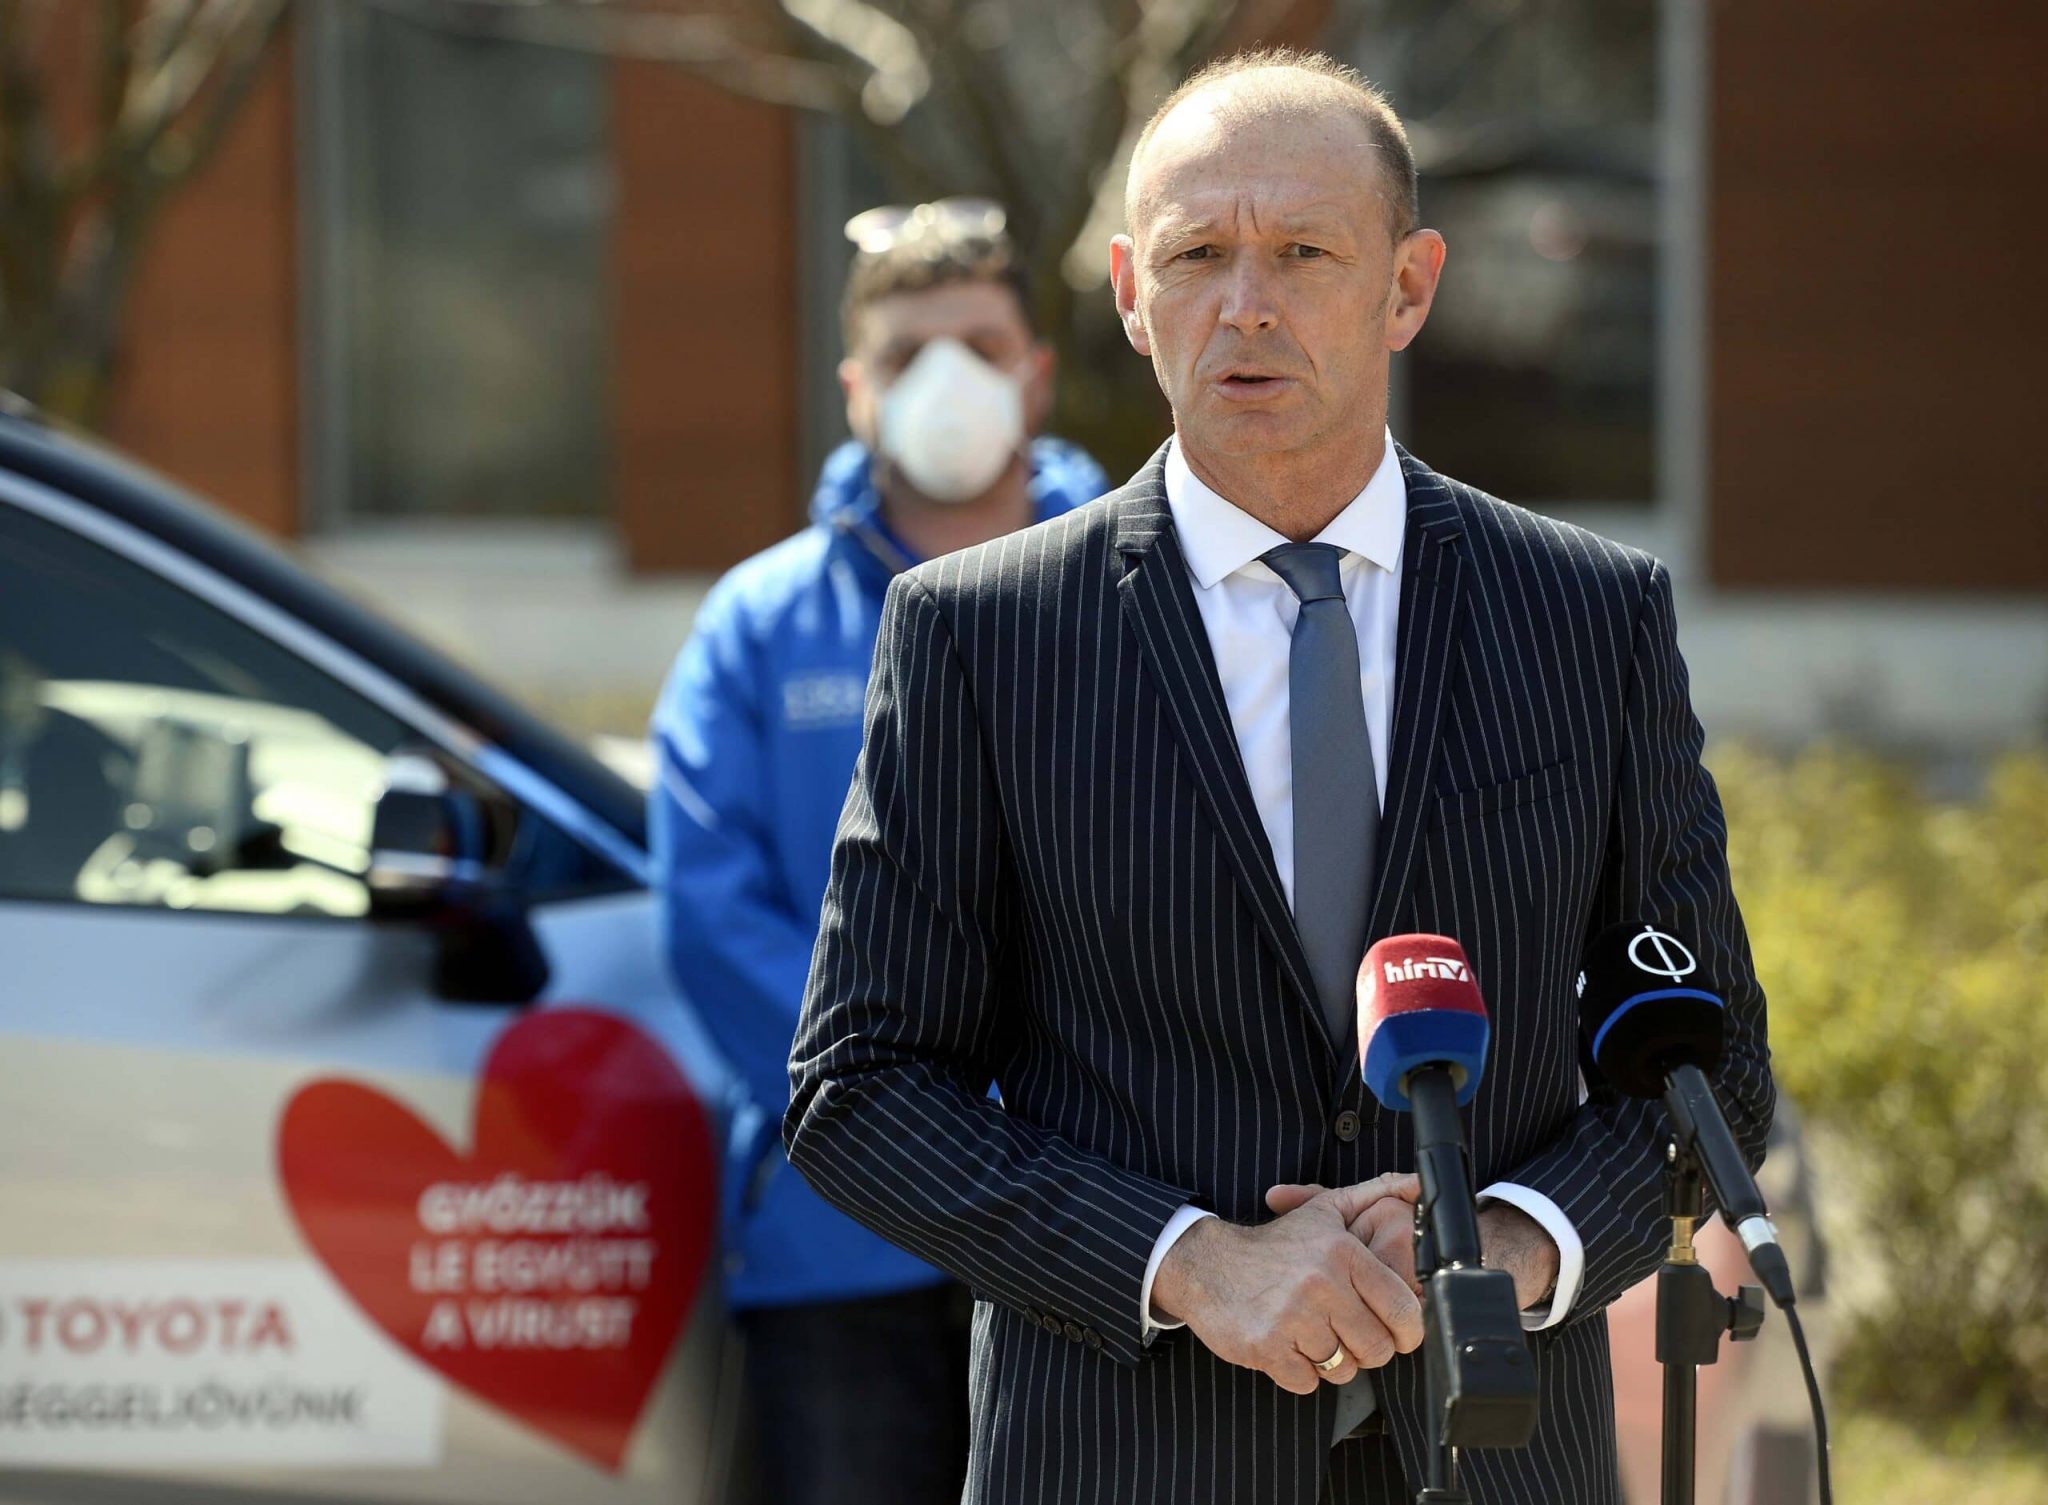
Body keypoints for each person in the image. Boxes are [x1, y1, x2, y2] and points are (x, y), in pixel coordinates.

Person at [786, 48, 1773, 1505]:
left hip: (1497, 1452)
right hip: (1125, 1459)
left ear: (1409, 287)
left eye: (1304, 251)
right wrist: (1191, 1263)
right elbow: (859, 1085)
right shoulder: (979, 635)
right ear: (1132, 293)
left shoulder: (1588, 617)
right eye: (1197, 255)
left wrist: (1508, 1245)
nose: (1244, 303)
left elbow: (1711, 1062)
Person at [649, 199, 1107, 1505]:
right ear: (855, 389)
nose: (947, 380)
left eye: (979, 345)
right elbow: (710, 914)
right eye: (907, 355)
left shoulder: (1152, 590)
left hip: (1108, 1223)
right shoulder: (759, 624)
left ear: (1036, 375)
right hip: (840, 1234)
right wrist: (907, 1128)